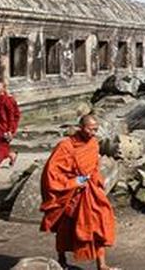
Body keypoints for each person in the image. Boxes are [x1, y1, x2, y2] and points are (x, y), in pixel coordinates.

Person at [40, 114, 118, 270]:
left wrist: (97, 182)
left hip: (90, 190)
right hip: (70, 194)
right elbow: (51, 172)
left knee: (99, 221)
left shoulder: (94, 143)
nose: (94, 133)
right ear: (80, 128)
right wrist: (73, 182)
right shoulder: (66, 146)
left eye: (96, 129)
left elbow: (94, 167)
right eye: (90, 129)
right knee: (65, 227)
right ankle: (61, 259)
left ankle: (101, 264)